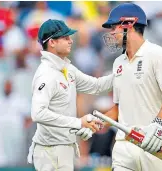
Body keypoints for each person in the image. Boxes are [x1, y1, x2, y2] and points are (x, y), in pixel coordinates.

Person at [101, 3, 162, 171]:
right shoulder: (118, 63)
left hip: (155, 143)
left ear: (128, 25)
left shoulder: (156, 53)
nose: (111, 33)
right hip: (124, 145)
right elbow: (118, 108)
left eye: (114, 27)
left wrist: (157, 127)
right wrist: (96, 123)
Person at [28, 19, 114, 171]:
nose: (70, 41)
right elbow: (38, 114)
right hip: (49, 151)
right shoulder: (46, 74)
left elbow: (96, 85)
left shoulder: (67, 68)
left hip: (64, 148)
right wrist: (78, 123)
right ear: (52, 42)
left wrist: (123, 71)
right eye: (65, 38)